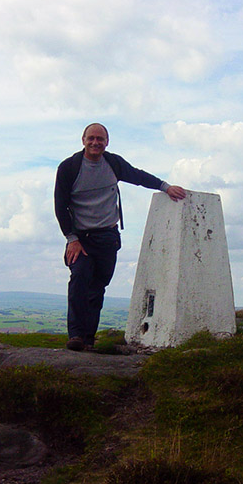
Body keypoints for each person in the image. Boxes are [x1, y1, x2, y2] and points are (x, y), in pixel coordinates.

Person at [54, 123, 186, 351]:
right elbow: (60, 205)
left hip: (107, 237)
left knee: (97, 288)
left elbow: (137, 176)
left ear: (107, 142)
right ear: (83, 140)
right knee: (79, 281)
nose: (96, 143)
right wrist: (71, 239)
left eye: (100, 139)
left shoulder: (113, 163)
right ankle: (75, 335)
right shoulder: (69, 167)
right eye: (91, 138)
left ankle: (87, 339)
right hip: (81, 239)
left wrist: (165, 187)